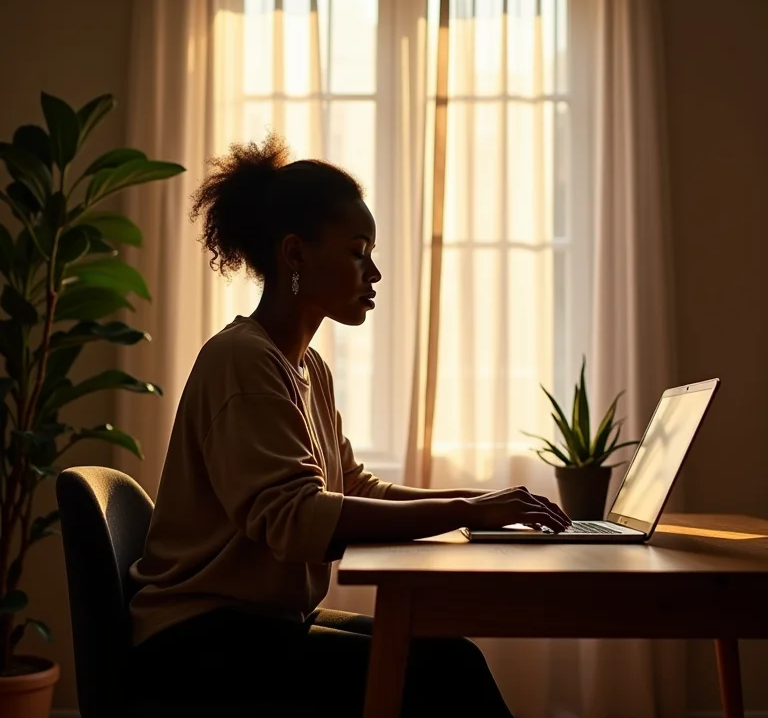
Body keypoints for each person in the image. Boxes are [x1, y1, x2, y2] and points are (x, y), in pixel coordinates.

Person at [128, 133, 571, 717]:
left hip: (255, 623)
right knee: (448, 674)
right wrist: (468, 513)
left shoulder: (306, 365)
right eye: (359, 250)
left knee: (449, 657)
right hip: (196, 642)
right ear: (295, 255)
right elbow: (296, 520)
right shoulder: (244, 360)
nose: (375, 271)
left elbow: (353, 491)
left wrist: (479, 501)